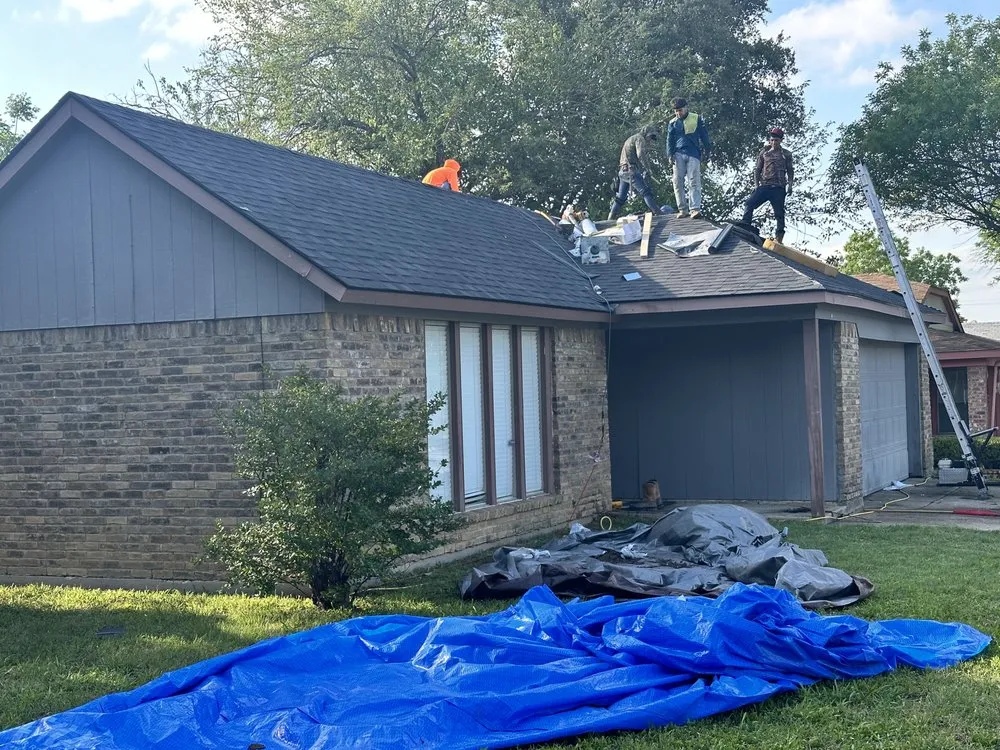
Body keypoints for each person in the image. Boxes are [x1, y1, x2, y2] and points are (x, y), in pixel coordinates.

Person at [741, 128, 794, 242]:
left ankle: (779, 236)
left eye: (777, 140)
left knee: (779, 213)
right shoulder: (764, 153)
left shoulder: (786, 154)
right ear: (769, 141)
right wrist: (756, 185)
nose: (774, 142)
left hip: (779, 187)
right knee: (749, 203)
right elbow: (757, 169)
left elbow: (790, 170)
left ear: (781, 141)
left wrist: (790, 185)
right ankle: (745, 223)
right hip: (765, 185)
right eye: (772, 140)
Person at [666, 97, 712, 218]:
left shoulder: (696, 118)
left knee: (693, 180)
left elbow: (704, 135)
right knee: (677, 181)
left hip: (693, 153)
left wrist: (708, 149)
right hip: (678, 154)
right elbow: (669, 140)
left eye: (680, 110)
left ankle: (695, 208)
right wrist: (669, 154)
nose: (678, 113)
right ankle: (682, 209)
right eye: (676, 111)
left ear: (686, 108)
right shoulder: (672, 123)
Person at [608, 124, 664, 220]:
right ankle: (658, 213)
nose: (650, 140)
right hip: (631, 171)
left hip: (623, 172)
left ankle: (611, 217)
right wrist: (648, 168)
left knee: (621, 198)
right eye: (650, 137)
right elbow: (640, 154)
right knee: (646, 192)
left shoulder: (632, 138)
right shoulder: (639, 139)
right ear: (646, 133)